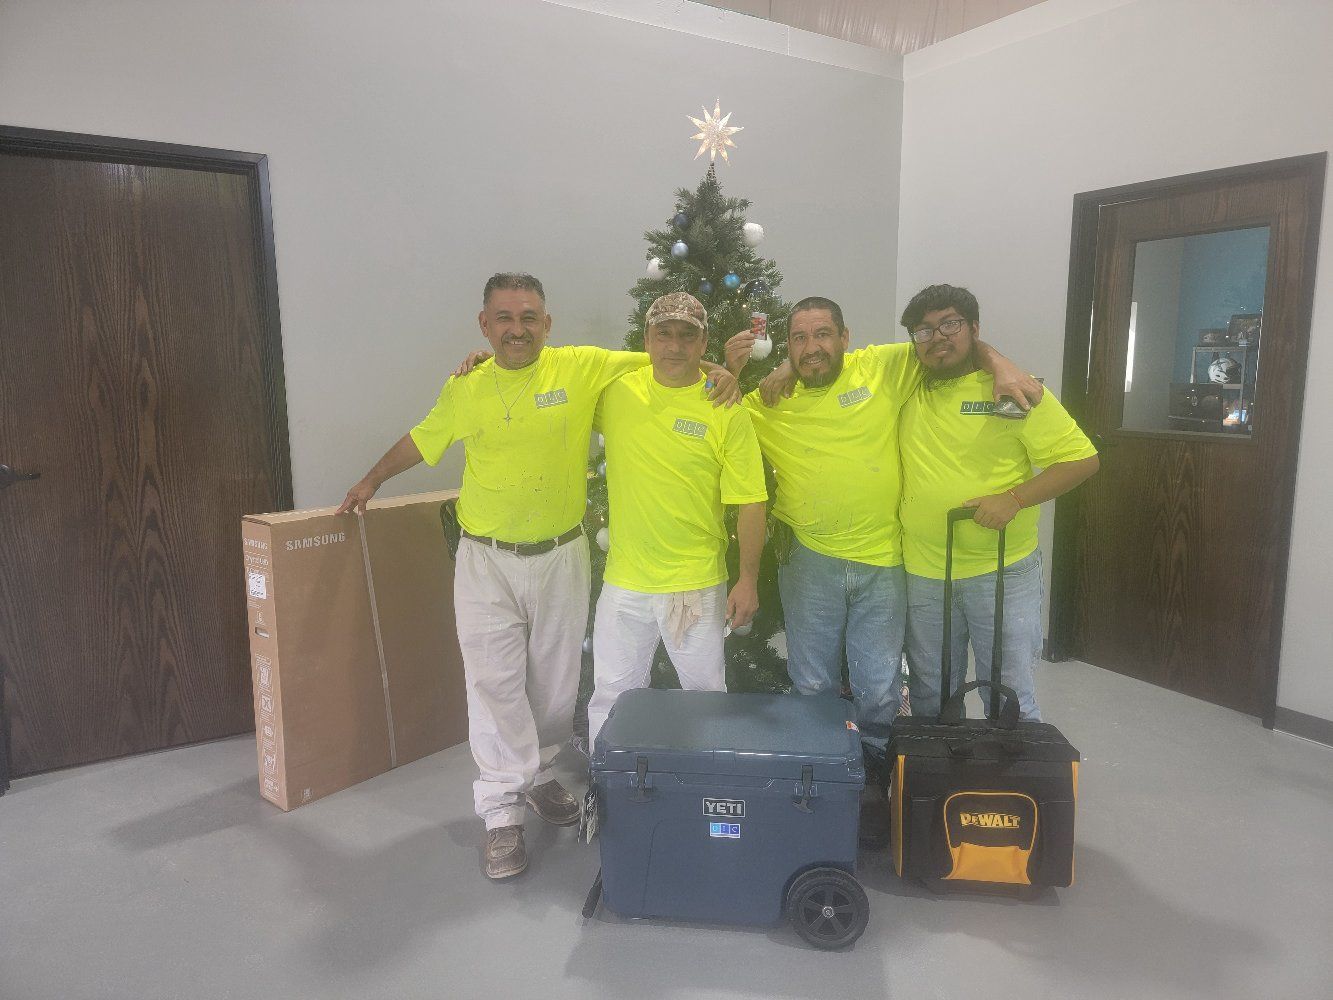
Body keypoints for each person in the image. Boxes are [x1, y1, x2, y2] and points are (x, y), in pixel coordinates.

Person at [337, 273, 737, 880]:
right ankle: (501, 813)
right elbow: (423, 439)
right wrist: (371, 479)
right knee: (494, 682)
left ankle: (542, 773)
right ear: (484, 325)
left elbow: (666, 352)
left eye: (528, 317)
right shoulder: (468, 385)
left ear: (547, 324)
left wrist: (719, 370)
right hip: (485, 560)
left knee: (555, 684)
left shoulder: (582, 367)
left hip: (560, 555)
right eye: (504, 318)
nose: (516, 329)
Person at [724, 296, 1040, 846]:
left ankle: (875, 782)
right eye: (799, 338)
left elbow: (947, 341)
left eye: (823, 334)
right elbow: (714, 414)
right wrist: (734, 369)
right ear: (789, 345)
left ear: (846, 337)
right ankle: (821, 783)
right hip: (810, 563)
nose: (812, 347)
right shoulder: (766, 402)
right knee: (813, 681)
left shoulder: (884, 367)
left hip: (885, 563)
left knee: (878, 685)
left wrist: (1001, 362)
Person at [897, 284, 1099, 722]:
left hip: (1002, 571)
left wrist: (1014, 498)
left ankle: (1008, 785)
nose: (937, 338)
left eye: (950, 324)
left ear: (974, 328)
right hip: (924, 571)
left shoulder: (1012, 390)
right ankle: (940, 784)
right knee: (931, 690)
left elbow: (1082, 460)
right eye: (924, 331)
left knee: (1008, 693)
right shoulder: (907, 385)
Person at [586, 293, 767, 747]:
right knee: (611, 698)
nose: (674, 346)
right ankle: (608, 794)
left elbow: (751, 501)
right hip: (625, 584)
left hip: (695, 586)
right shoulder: (616, 394)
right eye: (663, 334)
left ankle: (706, 794)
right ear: (646, 339)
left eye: (687, 336)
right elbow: (553, 391)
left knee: (705, 699)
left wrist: (747, 579)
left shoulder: (726, 407)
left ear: (703, 342)